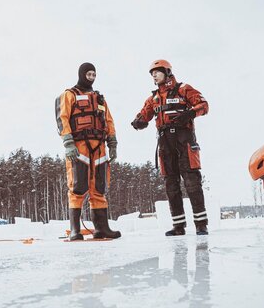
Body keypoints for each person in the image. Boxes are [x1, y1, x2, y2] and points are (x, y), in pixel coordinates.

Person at [131, 59, 210, 236]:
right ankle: (178, 226)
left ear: (166, 72)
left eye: (156, 72)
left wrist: (190, 113)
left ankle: (201, 225)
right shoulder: (153, 99)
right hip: (165, 142)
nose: (153, 76)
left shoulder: (184, 89)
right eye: (151, 74)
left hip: (185, 140)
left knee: (192, 182)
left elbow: (204, 106)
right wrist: (138, 122)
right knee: (171, 185)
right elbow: (144, 115)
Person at [55, 63, 121, 240]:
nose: (91, 77)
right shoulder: (69, 95)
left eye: (94, 74)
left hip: (99, 147)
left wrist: (112, 143)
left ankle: (102, 228)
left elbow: (109, 120)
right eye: (89, 74)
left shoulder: (99, 99)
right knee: (77, 186)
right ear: (82, 74)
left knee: (99, 188)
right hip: (79, 147)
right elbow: (62, 119)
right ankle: (75, 230)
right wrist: (68, 143)